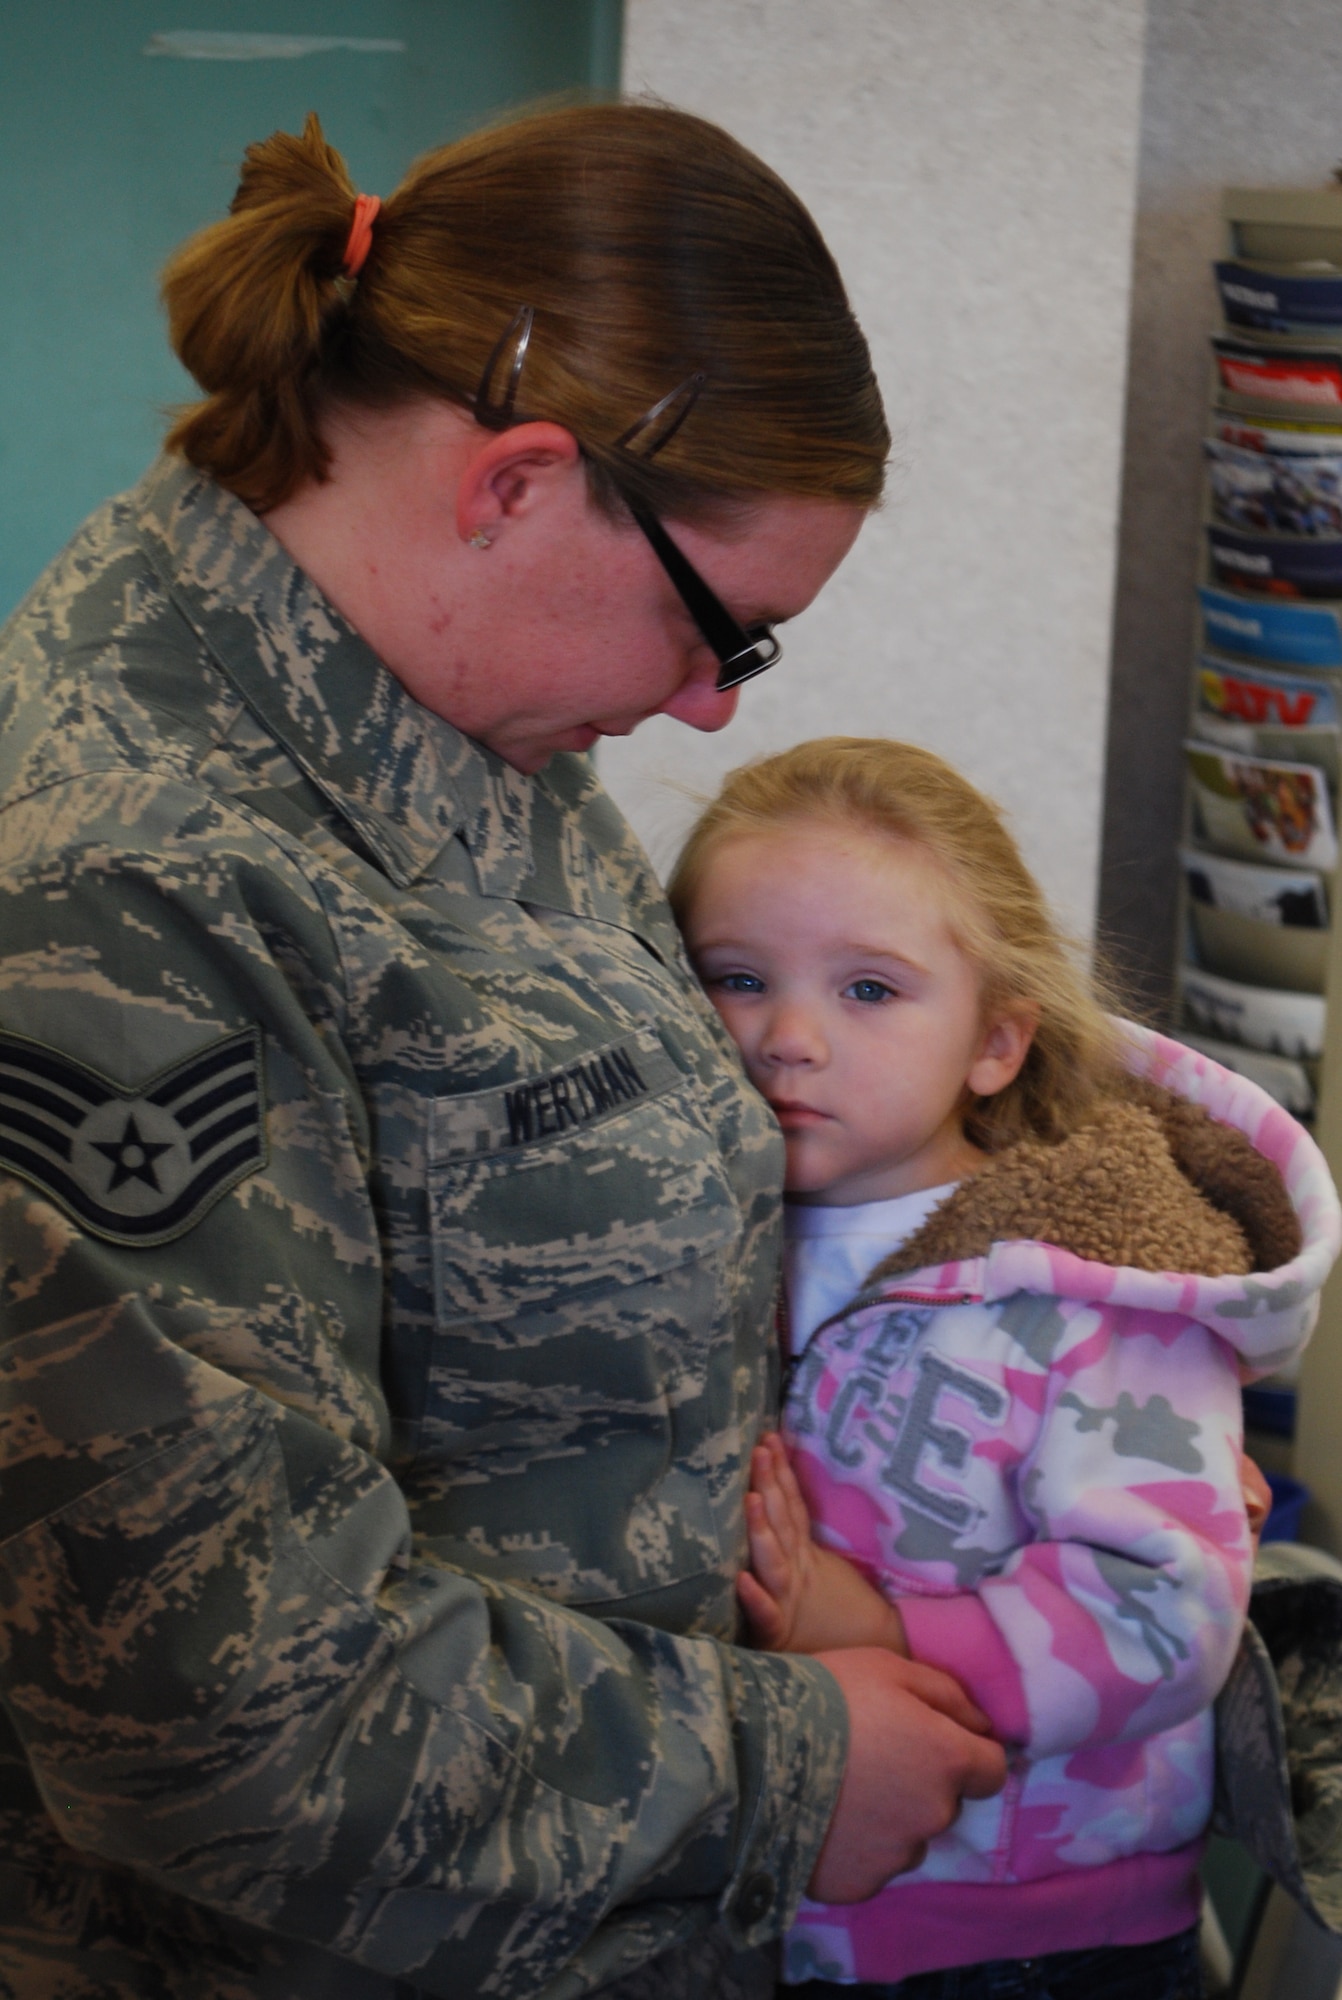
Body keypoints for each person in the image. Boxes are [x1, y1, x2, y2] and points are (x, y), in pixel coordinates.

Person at [0, 111, 1009, 2000]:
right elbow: (203, 1710)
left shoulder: (454, 719)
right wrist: (785, 1775)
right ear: (519, 485)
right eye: (732, 633)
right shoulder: (128, 883)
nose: (709, 703)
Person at [670, 736, 1342, 2000]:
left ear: (994, 1040)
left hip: (1023, 1935)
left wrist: (871, 1627)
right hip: (749, 1893)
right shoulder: (688, 1236)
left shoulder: (1097, 1291)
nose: (789, 1036)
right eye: (737, 978)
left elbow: (1163, 1611)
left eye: (870, 988)